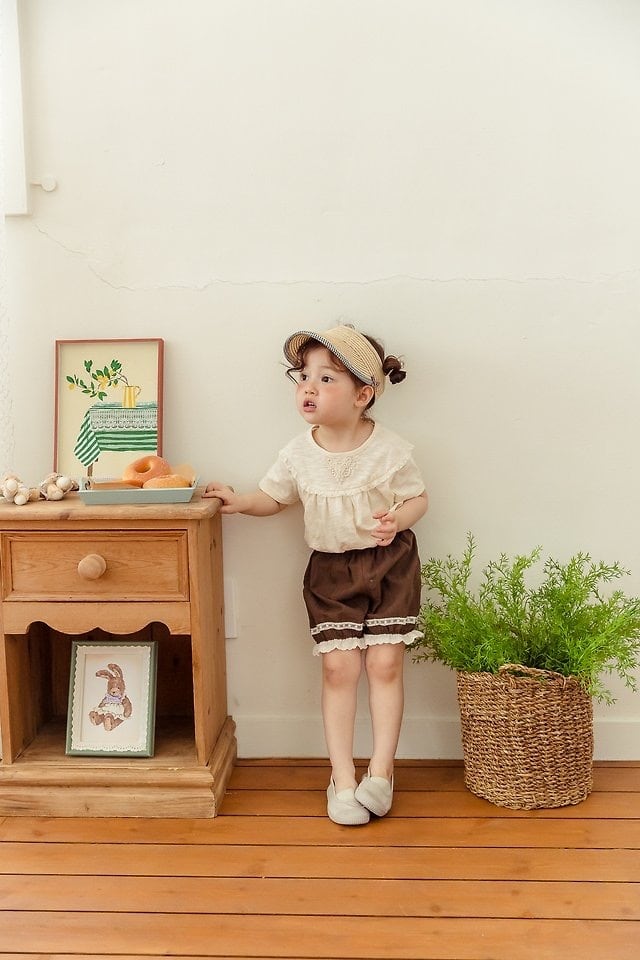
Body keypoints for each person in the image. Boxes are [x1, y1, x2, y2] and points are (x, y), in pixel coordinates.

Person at [204, 324, 428, 825]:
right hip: (330, 571)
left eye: (326, 379)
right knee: (338, 669)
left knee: (385, 665)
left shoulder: (390, 450)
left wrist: (398, 520)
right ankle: (342, 777)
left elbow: (418, 497)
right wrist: (240, 502)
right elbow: (274, 497)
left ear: (362, 395)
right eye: (304, 376)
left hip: (390, 565)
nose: (308, 387)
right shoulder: (297, 454)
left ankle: (381, 772)